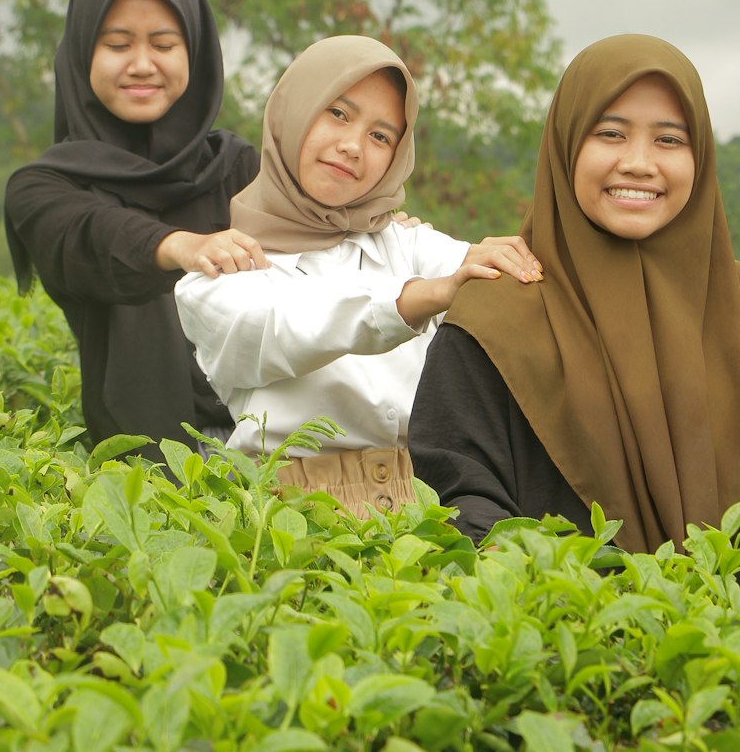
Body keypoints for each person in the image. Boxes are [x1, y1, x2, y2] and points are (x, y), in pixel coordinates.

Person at [408, 33, 740, 598]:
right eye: (609, 133)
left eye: (669, 139)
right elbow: (460, 506)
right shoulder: (495, 319)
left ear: (699, 158)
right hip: (567, 659)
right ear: (565, 146)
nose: (638, 163)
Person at [173, 34, 541, 517]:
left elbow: (491, 279)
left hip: (429, 508)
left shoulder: (405, 243)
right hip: (286, 520)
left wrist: (504, 262)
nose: (352, 146)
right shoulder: (218, 277)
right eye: (338, 114)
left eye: (381, 135)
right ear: (295, 111)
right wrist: (420, 297)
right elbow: (289, 325)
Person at [4, 0, 264, 454]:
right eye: (118, 44)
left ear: (195, 52)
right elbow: (91, 237)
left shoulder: (237, 168)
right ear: (83, 53)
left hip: (274, 444)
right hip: (144, 464)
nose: (142, 65)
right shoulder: (45, 187)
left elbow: (316, 251)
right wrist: (179, 246)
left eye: (165, 44)